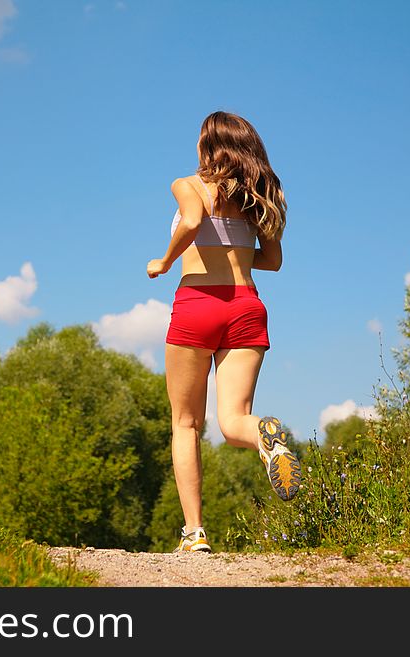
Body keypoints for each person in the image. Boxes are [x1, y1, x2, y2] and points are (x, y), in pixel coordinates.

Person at [147, 110, 301, 553]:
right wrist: (234, 251)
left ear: (206, 145)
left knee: (185, 423)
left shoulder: (188, 185)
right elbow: (272, 261)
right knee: (234, 422)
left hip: (198, 303)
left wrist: (166, 260)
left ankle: (194, 533)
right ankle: (266, 438)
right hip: (246, 307)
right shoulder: (265, 195)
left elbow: (193, 222)